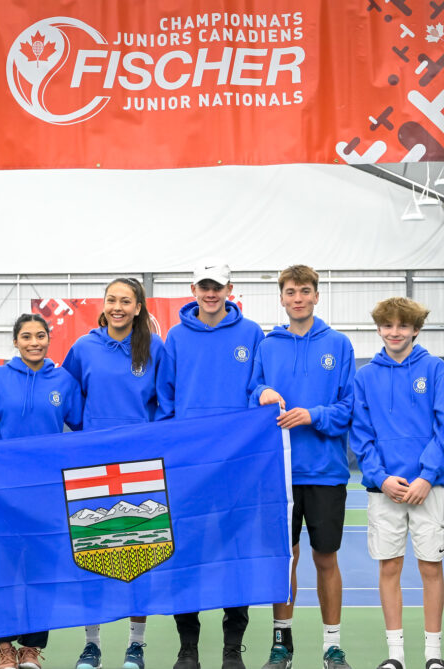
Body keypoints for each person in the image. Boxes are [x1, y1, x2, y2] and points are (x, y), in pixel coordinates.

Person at [157, 260, 265, 669]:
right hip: (188, 470)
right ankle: (188, 648)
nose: (211, 292)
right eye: (204, 286)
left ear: (229, 288)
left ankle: (232, 648)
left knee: (235, 556)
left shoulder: (251, 333)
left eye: (217, 286)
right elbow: (166, 400)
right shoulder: (176, 337)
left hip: (237, 468)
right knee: (186, 558)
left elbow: (257, 388)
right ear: (193, 289)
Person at [251, 265, 355, 669]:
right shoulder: (266, 345)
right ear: (281, 298)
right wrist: (263, 392)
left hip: (326, 472)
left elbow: (348, 408)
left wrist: (313, 415)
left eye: (305, 291)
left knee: (325, 559)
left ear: (316, 296)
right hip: (279, 474)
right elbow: (250, 391)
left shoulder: (339, 345)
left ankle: (332, 646)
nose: (298, 297)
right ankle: (282, 643)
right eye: (290, 291)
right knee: (285, 558)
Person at [63, 277, 168, 669]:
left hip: (141, 470)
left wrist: (142, 440)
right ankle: (92, 644)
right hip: (91, 467)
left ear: (139, 307)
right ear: (103, 304)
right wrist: (93, 436)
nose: (118, 306)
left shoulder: (154, 348)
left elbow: (165, 403)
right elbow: (70, 401)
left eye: (126, 301)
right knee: (92, 553)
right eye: (112, 300)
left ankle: (135, 645)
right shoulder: (83, 347)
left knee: (140, 555)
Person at [349, 297, 444, 669]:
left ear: (415, 329)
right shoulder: (364, 377)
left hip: (430, 490)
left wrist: (426, 477)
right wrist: (381, 477)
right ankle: (395, 656)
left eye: (402, 326)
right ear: (379, 328)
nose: (395, 332)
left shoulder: (435, 369)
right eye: (388, 325)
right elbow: (361, 435)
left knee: (431, 568)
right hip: (385, 491)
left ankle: (433, 655)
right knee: (389, 568)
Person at [0, 313, 83, 669]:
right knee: (5, 569)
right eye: (26, 336)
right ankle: (6, 647)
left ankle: (31, 648)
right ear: (15, 341)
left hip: (47, 490)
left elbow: (84, 427)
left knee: (41, 569)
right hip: (4, 491)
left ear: (49, 339)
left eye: (40, 336)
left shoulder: (64, 381)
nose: (34, 342)